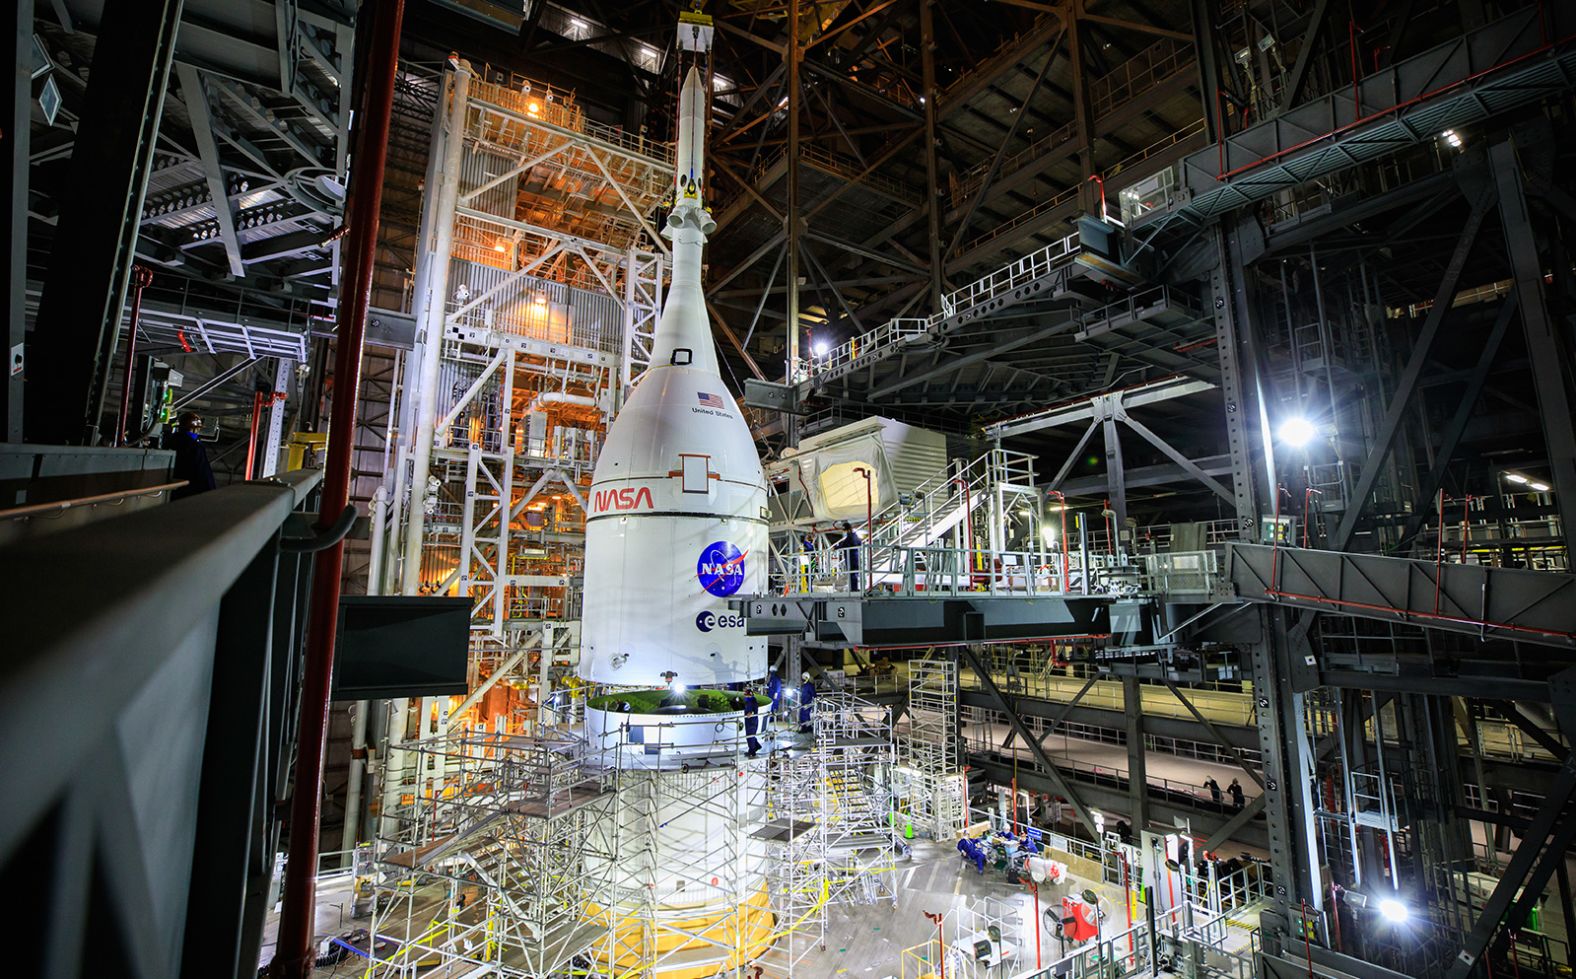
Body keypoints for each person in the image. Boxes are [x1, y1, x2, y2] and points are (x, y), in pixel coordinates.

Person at [163, 411, 217, 498]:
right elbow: (202, 471)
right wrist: (210, 492)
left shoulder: (169, 441)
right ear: (194, 428)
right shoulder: (195, 446)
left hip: (171, 489)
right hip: (191, 490)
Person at [835, 520, 862, 591]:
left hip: (851, 557)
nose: (844, 532)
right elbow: (859, 543)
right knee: (854, 573)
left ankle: (853, 588)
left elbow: (844, 544)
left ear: (847, 530)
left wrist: (836, 547)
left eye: (844, 530)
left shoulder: (850, 537)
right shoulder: (855, 536)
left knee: (852, 573)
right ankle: (854, 588)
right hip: (855, 556)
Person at [743, 689, 761, 757]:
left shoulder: (752, 701)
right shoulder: (749, 700)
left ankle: (752, 751)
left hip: (752, 721)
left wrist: (751, 713)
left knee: (750, 736)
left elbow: (754, 710)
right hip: (749, 721)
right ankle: (756, 746)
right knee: (750, 735)